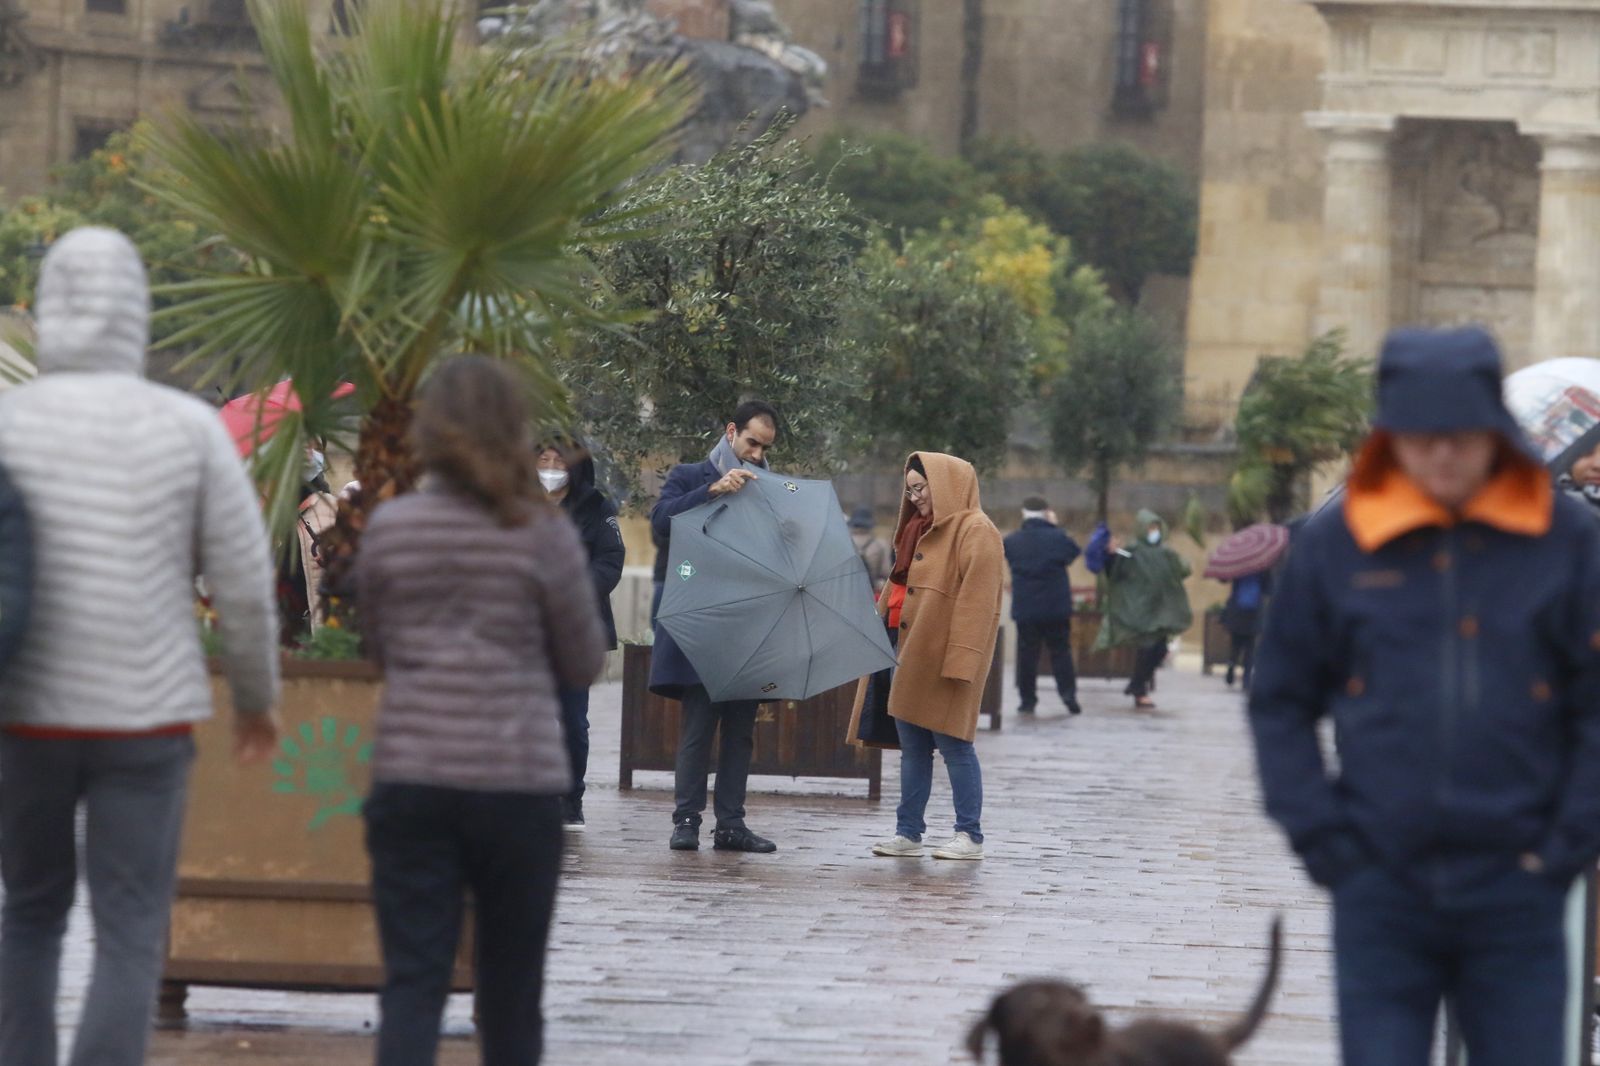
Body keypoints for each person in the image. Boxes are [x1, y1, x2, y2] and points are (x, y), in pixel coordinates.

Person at [1249, 326, 1600, 1066]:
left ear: (1495, 433)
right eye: (1422, 435)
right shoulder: (1337, 543)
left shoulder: (1564, 537)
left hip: (1519, 882)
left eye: (1461, 435)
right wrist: (1323, 837)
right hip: (1382, 884)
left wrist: (1568, 841)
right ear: (1392, 437)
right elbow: (1280, 697)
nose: (1442, 454)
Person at [0, 227, 281, 1066]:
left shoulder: (7, 422)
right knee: (130, 926)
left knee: (29, 911)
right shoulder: (186, 427)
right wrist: (257, 699)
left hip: (21, 714)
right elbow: (243, 582)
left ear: (48, 308)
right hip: (146, 717)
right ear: (138, 314)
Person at [356, 357, 606, 1066]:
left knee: (412, 981)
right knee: (510, 992)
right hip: (516, 785)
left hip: (412, 777)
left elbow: (379, 648)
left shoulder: (392, 529)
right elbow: (584, 659)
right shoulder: (543, 534)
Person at [850, 452, 1004, 861]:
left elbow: (978, 605)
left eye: (922, 488)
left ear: (948, 485)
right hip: (904, 650)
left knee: (955, 745)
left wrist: (962, 661)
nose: (915, 496)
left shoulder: (976, 530)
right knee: (913, 746)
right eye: (910, 489)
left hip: (943, 656)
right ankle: (908, 832)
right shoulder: (916, 529)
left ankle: (969, 835)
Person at [651, 400, 781, 854]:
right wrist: (712, 492)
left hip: (748, 625)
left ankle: (731, 825)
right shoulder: (690, 475)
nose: (757, 455)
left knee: (741, 731)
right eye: (751, 443)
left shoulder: (770, 489)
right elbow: (660, 526)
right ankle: (685, 820)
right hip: (699, 623)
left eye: (765, 448)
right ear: (731, 432)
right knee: (698, 727)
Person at [536, 437, 626, 827]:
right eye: (544, 458)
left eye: (560, 460)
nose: (552, 466)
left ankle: (572, 798)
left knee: (573, 719)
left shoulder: (596, 507)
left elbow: (611, 559)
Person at [1099, 510, 1191, 709]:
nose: (1154, 532)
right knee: (1148, 647)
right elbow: (1117, 565)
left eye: (1156, 528)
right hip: (1141, 608)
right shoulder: (1133, 551)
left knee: (1159, 649)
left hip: (1161, 609)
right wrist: (1112, 553)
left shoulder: (1165, 553)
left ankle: (1136, 685)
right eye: (1150, 528)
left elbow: (1182, 569)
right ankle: (1139, 689)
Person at [1003, 496, 1083, 716]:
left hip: (1026, 609)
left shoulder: (1012, 541)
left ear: (1023, 513)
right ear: (1047, 512)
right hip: (1055, 608)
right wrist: (1054, 526)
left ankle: (1027, 701)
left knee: (1027, 655)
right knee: (1061, 653)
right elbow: (1074, 552)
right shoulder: (1059, 538)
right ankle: (1069, 697)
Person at [1220, 570, 1271, 690]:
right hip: (1253, 614)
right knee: (1250, 648)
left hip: (1237, 612)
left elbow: (1224, 579)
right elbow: (1269, 590)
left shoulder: (1240, 567)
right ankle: (1246, 679)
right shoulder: (1263, 570)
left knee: (1235, 645)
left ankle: (1231, 667)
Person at [849, 506, 892, 594]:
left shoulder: (845, 543)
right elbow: (886, 572)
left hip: (849, 592)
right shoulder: (879, 545)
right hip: (871, 593)